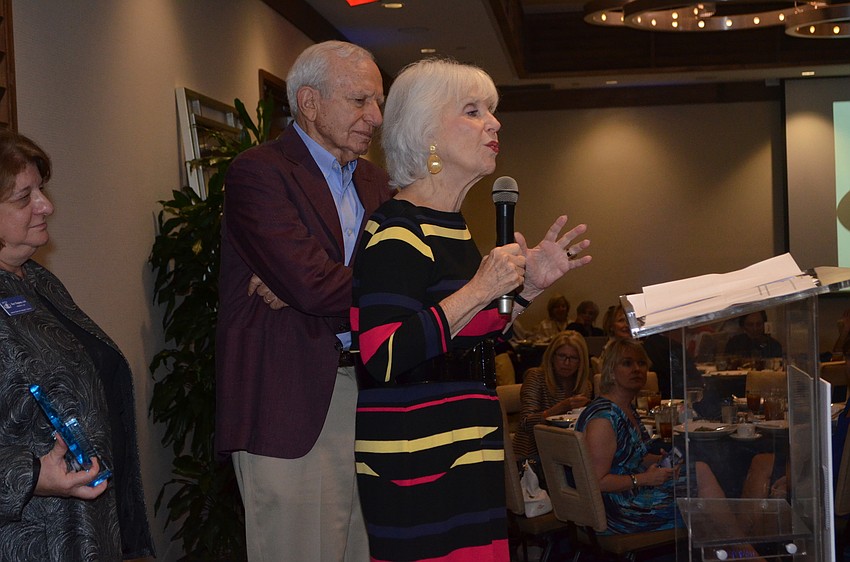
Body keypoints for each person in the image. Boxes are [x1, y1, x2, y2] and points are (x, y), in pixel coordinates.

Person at [351, 58, 592, 561]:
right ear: (425, 132)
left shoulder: (452, 227)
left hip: (467, 443)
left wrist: (527, 288)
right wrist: (481, 288)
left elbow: (466, 337)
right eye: (473, 110)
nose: (495, 122)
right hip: (416, 459)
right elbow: (382, 355)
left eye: (492, 110)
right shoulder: (397, 230)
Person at [215, 41, 391, 561]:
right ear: (310, 103)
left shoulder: (377, 183)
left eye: (377, 102)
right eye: (361, 101)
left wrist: (316, 284)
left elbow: (323, 284)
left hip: (371, 391)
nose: (375, 117)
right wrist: (318, 284)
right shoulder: (259, 172)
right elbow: (312, 284)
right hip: (291, 399)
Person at [0, 130, 153, 559]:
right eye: (23, 197)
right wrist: (30, 475)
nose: (46, 205)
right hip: (26, 537)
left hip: (85, 528)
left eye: (41, 190)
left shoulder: (38, 279)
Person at [575, 338, 726, 535]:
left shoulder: (626, 406)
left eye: (641, 363)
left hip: (631, 494)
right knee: (701, 501)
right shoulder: (604, 418)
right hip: (617, 511)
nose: (637, 369)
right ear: (611, 371)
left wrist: (659, 461)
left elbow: (631, 455)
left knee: (700, 471)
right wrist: (644, 479)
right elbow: (596, 481)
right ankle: (742, 550)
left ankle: (734, 549)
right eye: (627, 363)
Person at [513, 331, 592, 470]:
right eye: (562, 356)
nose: (567, 363)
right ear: (551, 356)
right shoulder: (536, 377)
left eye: (573, 358)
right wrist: (561, 407)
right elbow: (525, 422)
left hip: (567, 453)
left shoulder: (584, 385)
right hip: (532, 456)